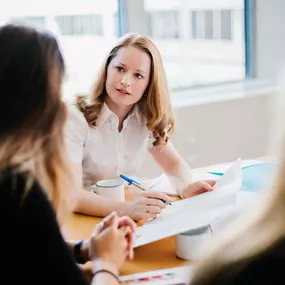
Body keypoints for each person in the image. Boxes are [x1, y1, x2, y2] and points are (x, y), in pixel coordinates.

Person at [0, 24, 136, 285]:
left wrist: (84, 250)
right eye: (54, 91)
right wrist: (106, 265)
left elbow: (27, 250)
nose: (61, 107)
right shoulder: (17, 190)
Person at [66, 33, 216, 221]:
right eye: (120, 69)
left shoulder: (146, 118)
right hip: (78, 217)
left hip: (118, 217)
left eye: (138, 75)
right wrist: (128, 209)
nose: (125, 82)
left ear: (149, 84)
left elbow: (174, 164)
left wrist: (186, 187)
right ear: (107, 70)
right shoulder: (74, 118)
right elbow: (70, 194)